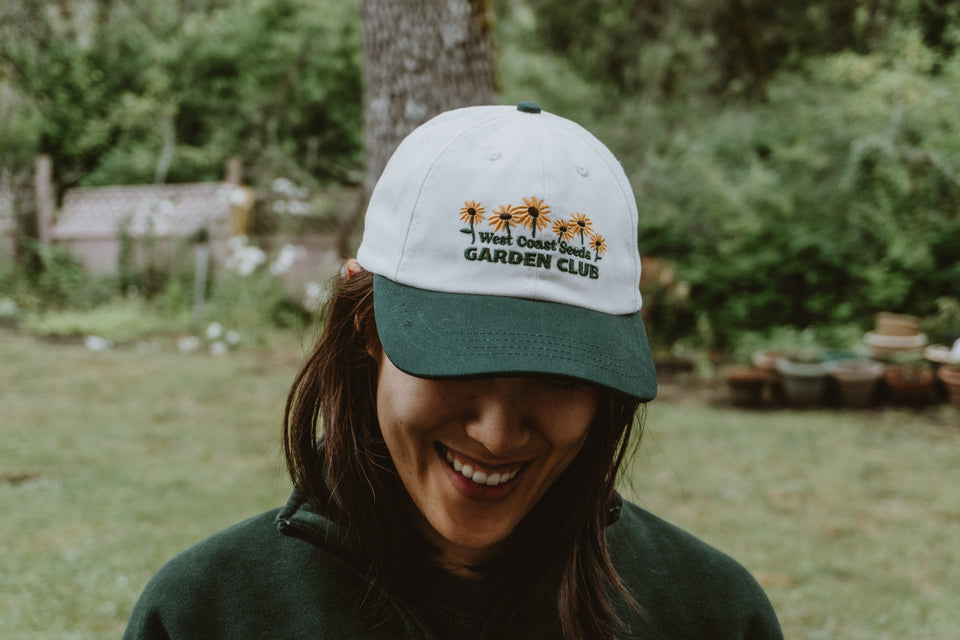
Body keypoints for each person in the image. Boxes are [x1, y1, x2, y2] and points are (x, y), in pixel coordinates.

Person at [123, 102, 782, 640]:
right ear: (366, 327)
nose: (496, 435)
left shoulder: (712, 617)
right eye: (455, 359)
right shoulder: (202, 617)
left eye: (558, 376)